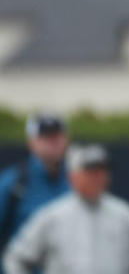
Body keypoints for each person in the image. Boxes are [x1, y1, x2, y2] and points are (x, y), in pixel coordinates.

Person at [2, 143, 129, 274]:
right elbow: (16, 258)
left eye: (101, 172)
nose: (97, 177)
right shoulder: (53, 216)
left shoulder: (125, 215)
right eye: (90, 172)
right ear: (73, 177)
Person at [0, 113, 71, 269]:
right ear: (31, 141)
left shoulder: (77, 182)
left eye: (57, 137)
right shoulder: (12, 183)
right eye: (46, 137)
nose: (53, 143)